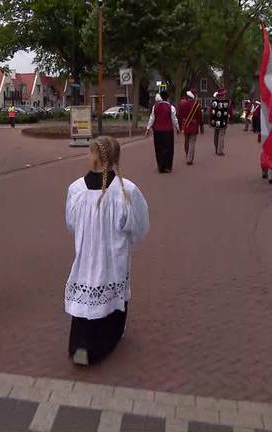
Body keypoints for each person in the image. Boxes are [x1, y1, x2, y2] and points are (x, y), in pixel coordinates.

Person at [65, 136, 150, 365]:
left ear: (94, 158)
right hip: (113, 257)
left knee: (87, 292)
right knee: (110, 293)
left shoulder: (76, 190)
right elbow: (139, 225)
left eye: (89, 152)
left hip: (86, 256)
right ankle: (101, 342)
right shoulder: (125, 190)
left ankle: (80, 344)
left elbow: (71, 223)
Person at [145, 91, 180, 173]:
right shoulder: (171, 107)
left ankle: (160, 166)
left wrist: (148, 128)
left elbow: (152, 118)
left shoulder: (155, 107)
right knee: (168, 149)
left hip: (157, 131)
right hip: (168, 131)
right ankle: (167, 166)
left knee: (158, 148)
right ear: (168, 98)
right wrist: (177, 128)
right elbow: (174, 119)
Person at [177, 90, 203, 165]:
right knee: (192, 142)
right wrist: (201, 126)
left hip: (186, 125)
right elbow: (200, 117)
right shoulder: (197, 105)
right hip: (194, 125)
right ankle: (189, 158)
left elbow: (179, 116)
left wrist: (179, 126)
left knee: (186, 141)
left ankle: (187, 155)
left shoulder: (182, 104)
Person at [210, 88, 233, 156]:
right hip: (223, 120)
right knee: (221, 135)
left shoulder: (213, 101)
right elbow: (230, 111)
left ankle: (216, 148)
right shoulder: (228, 102)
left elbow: (210, 111)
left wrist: (211, 119)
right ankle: (220, 151)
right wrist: (231, 118)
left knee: (216, 134)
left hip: (215, 120)